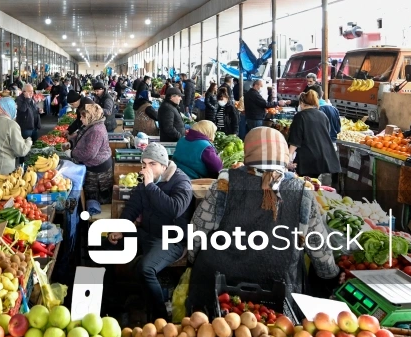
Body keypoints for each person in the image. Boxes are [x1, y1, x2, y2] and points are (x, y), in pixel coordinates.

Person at [188, 127, 339, 313]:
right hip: (275, 291)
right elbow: (318, 246)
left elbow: (198, 230)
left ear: (248, 153)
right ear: (284, 155)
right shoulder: (301, 191)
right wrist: (329, 275)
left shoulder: (224, 183)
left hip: (220, 286)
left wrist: (191, 258)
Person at [114, 143, 193, 319]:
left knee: (145, 269)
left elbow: (175, 209)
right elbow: (133, 207)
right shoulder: (145, 183)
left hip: (171, 239)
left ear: (164, 166)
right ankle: (120, 301)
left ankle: (161, 317)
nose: (147, 169)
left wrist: (150, 186)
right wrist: (121, 228)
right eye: (144, 164)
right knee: (108, 245)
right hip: (147, 233)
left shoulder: (181, 181)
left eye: (152, 164)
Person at [0, 97, 33, 189]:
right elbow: (21, 151)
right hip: (3, 167)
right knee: (0, 197)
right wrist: (28, 142)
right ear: (9, 108)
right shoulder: (12, 125)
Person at [70, 100, 113, 216]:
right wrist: (72, 142)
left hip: (99, 172)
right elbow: (82, 138)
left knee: (98, 199)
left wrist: (72, 153)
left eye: (83, 117)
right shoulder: (92, 125)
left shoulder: (96, 131)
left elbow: (89, 153)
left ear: (91, 116)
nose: (80, 119)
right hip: (95, 167)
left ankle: (96, 222)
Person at [287, 89, 342, 180]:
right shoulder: (322, 115)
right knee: (313, 182)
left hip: (307, 158)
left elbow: (295, 140)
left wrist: (289, 157)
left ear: (301, 103)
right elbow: (325, 134)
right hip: (322, 156)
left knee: (304, 184)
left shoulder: (300, 116)